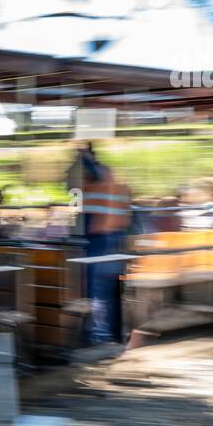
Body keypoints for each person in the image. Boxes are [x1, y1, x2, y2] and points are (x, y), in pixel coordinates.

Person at [74, 142, 131, 353]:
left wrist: (82, 158)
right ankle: (107, 334)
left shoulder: (96, 173)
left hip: (101, 237)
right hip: (109, 236)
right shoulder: (105, 174)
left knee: (95, 290)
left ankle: (98, 335)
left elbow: (77, 208)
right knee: (106, 291)